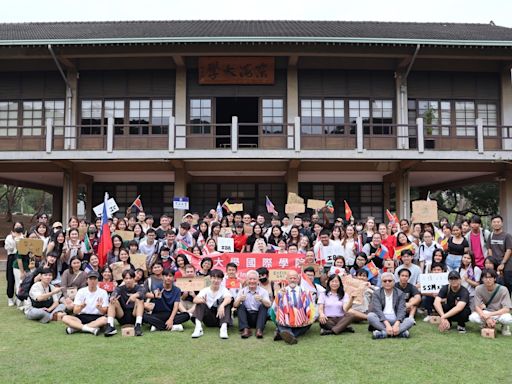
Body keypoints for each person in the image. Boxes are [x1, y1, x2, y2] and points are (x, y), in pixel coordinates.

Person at [272, 270, 315, 345]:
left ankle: (281, 334)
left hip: (300, 321)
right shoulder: (281, 291)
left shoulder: (305, 291)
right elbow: (274, 309)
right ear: (287, 279)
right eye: (290, 278)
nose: (292, 280)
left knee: (308, 324)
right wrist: (279, 296)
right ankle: (290, 335)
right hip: (285, 321)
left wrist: (310, 318)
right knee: (280, 323)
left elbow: (311, 307)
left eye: (294, 278)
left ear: (298, 279)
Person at [368, 272, 414, 339]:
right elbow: (378, 311)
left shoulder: (400, 293)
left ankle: (383, 333)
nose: (387, 282)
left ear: (394, 282)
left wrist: (397, 324)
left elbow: (401, 311)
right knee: (370, 316)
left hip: (396, 320)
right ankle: (400, 333)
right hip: (382, 321)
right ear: (382, 282)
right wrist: (387, 324)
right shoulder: (377, 293)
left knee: (410, 320)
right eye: (385, 281)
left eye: (389, 281)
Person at [61, 271, 108, 335]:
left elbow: (104, 312)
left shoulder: (103, 292)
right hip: (81, 317)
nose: (92, 281)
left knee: (104, 320)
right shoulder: (81, 291)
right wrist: (81, 307)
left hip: (97, 317)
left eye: (95, 279)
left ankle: (76, 328)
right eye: (90, 279)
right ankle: (90, 329)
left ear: (97, 280)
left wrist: (99, 308)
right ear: (87, 280)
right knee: (65, 318)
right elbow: (75, 311)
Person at [469, 269, 512, 336]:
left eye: (490, 277)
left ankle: (504, 326)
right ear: (482, 279)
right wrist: (487, 318)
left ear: (494, 278)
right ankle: (485, 324)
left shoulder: (503, 289)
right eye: (485, 277)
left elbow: (507, 309)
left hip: (498, 313)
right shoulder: (478, 288)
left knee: (508, 318)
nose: (488, 280)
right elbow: (477, 306)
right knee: (472, 317)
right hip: (486, 312)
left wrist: (490, 315)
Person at [191, 269, 232, 339]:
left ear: (222, 280)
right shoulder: (205, 290)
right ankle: (198, 328)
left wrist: (222, 305)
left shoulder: (224, 289)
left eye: (218, 278)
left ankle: (223, 329)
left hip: (221, 318)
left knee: (226, 304)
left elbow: (229, 298)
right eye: (214, 278)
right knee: (200, 303)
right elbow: (195, 300)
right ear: (210, 278)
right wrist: (202, 300)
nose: (216, 280)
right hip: (209, 319)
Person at [104, 270, 145, 337]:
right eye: (126, 278)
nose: (128, 280)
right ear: (123, 279)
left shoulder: (139, 287)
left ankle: (138, 325)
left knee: (140, 300)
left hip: (134, 314)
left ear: (134, 278)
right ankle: (110, 326)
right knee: (113, 301)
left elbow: (142, 292)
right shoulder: (119, 288)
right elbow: (114, 293)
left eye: (130, 278)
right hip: (122, 315)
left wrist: (135, 295)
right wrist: (113, 297)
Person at [233, 270, 271, 339]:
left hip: (259, 318)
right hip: (247, 318)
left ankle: (259, 330)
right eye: (250, 279)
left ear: (258, 280)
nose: (252, 281)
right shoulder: (242, 291)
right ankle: (245, 329)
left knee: (263, 306)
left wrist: (261, 299)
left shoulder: (263, 291)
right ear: (247, 280)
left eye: (254, 279)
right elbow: (235, 305)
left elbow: (269, 305)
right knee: (240, 306)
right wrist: (239, 299)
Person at [488, 215, 512, 294]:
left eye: (498, 222)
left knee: (507, 285)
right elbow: (489, 249)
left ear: (502, 223)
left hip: (507, 265)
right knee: (496, 285)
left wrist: (502, 263)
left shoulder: (507, 236)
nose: (496, 224)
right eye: (494, 222)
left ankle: (507, 305)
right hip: (495, 265)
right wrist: (491, 262)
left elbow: (509, 250)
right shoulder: (490, 236)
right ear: (491, 224)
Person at [4, 221, 25, 306]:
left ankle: (19, 297)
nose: (18, 227)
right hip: (12, 257)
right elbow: (9, 248)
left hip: (22, 258)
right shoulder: (9, 237)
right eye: (16, 226)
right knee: (10, 278)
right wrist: (14, 238)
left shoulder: (24, 236)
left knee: (20, 279)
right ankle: (10, 298)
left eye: (20, 226)